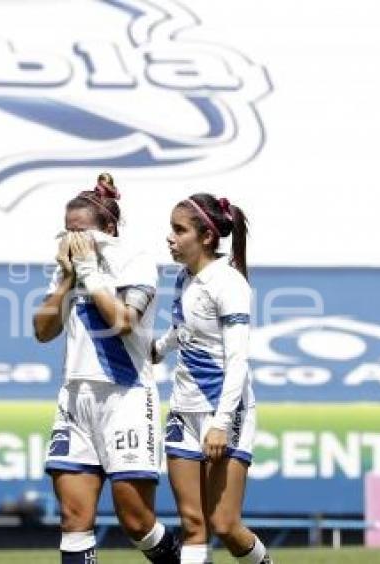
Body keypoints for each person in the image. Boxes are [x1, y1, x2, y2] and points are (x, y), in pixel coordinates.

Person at [34, 173, 180, 564]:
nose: (73, 240)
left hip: (125, 396)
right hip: (76, 396)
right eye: (67, 232)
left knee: (136, 522)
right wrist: (67, 277)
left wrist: (90, 273)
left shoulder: (137, 260)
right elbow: (43, 330)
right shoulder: (68, 265)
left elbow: (124, 321)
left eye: (80, 231)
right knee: (73, 519)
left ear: (109, 229)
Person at [152, 194, 272, 564]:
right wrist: (155, 349)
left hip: (223, 413)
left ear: (206, 236)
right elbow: (184, 331)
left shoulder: (229, 283)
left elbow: (238, 360)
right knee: (192, 524)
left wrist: (221, 424)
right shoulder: (184, 277)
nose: (169, 238)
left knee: (225, 525)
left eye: (179, 229)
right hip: (183, 411)